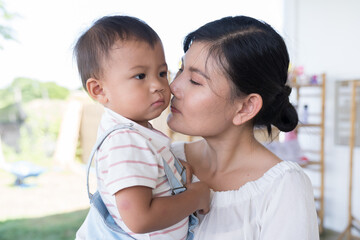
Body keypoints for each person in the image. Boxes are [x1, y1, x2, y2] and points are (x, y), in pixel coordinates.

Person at [167, 15, 320, 239]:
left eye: (195, 81)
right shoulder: (166, 159)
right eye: (181, 70)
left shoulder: (283, 188)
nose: (173, 86)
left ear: (246, 107)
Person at [73, 15, 210, 240]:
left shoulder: (135, 133)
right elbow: (140, 219)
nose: (158, 85)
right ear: (99, 90)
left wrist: (172, 171)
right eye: (140, 76)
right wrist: (197, 197)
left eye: (162, 73)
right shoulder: (125, 141)